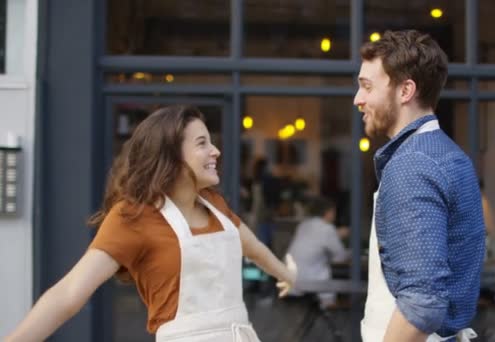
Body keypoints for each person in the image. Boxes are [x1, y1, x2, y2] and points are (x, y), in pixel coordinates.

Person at [5, 106, 295, 342]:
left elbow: (253, 248)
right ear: (170, 155)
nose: (216, 151)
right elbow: (69, 293)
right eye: (202, 143)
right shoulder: (133, 217)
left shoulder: (216, 207)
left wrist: (286, 274)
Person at [354, 30, 485, 342]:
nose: (358, 99)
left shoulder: (412, 164)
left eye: (367, 87)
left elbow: (422, 304)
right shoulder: (450, 155)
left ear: (405, 91)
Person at [286, 197, 350, 308]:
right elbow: (341, 257)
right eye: (334, 212)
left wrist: (335, 234)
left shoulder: (304, 225)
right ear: (328, 212)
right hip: (308, 283)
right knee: (324, 271)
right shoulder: (328, 229)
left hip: (288, 280)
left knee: (319, 264)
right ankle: (329, 305)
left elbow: (313, 244)